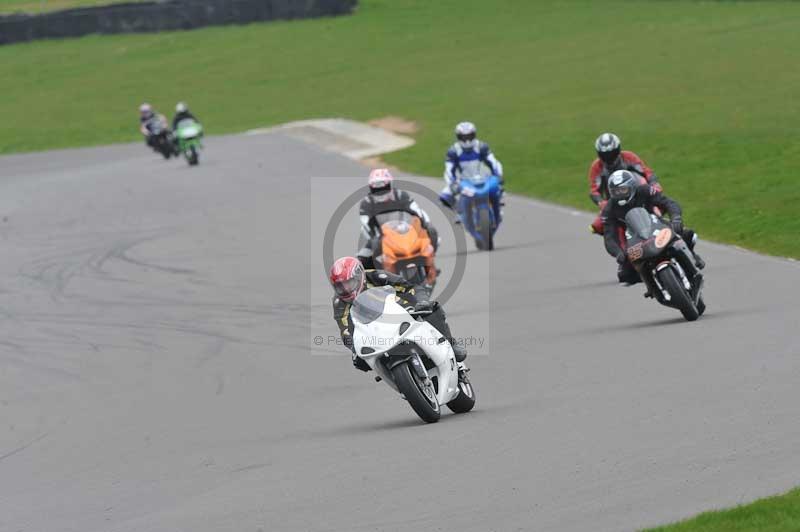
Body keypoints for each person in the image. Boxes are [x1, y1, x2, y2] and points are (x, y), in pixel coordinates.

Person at [329, 256, 466, 372]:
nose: (345, 289)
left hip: (400, 309)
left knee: (432, 308)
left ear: (359, 276)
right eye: (340, 286)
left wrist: (422, 302)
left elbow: (410, 287)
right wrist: (354, 349)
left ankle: (451, 343)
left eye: (349, 283)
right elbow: (345, 330)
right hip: (374, 329)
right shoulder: (339, 302)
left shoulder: (376, 276)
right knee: (361, 361)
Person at [601, 170, 705, 285]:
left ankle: (692, 258)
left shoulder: (645, 190)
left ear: (632, 187)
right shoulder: (609, 209)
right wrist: (618, 253)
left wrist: (676, 218)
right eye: (616, 192)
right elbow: (609, 236)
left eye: (623, 190)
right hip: (633, 236)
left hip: (657, 224)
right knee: (624, 275)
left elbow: (668, 202)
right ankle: (652, 286)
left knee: (687, 234)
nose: (620, 194)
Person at [357, 168, 439, 268]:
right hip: (381, 236)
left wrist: (422, 224)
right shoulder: (367, 203)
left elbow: (415, 210)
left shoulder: (401, 195)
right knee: (361, 260)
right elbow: (366, 223)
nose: (381, 192)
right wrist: (377, 236)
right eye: (377, 190)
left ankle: (430, 262)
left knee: (431, 230)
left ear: (390, 185)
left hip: (405, 230)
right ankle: (380, 273)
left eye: (384, 188)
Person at [588, 133, 662, 235]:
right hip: (615, 201)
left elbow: (646, 172)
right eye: (605, 155)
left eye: (612, 153)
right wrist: (601, 202)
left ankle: (662, 222)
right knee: (596, 227)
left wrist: (654, 184)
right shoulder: (596, 167)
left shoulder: (629, 157)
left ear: (618, 150)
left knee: (660, 204)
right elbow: (594, 190)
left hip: (637, 195)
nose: (609, 158)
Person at [439, 122, 504, 211]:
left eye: (469, 137)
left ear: (474, 135)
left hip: (483, 178)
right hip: (463, 181)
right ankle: (459, 211)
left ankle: (497, 210)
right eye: (464, 137)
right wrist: (452, 183)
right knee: (445, 196)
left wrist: (498, 175)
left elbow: (493, 162)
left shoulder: (481, 147)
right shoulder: (453, 151)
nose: (467, 140)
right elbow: (449, 170)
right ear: (458, 137)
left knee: (499, 189)